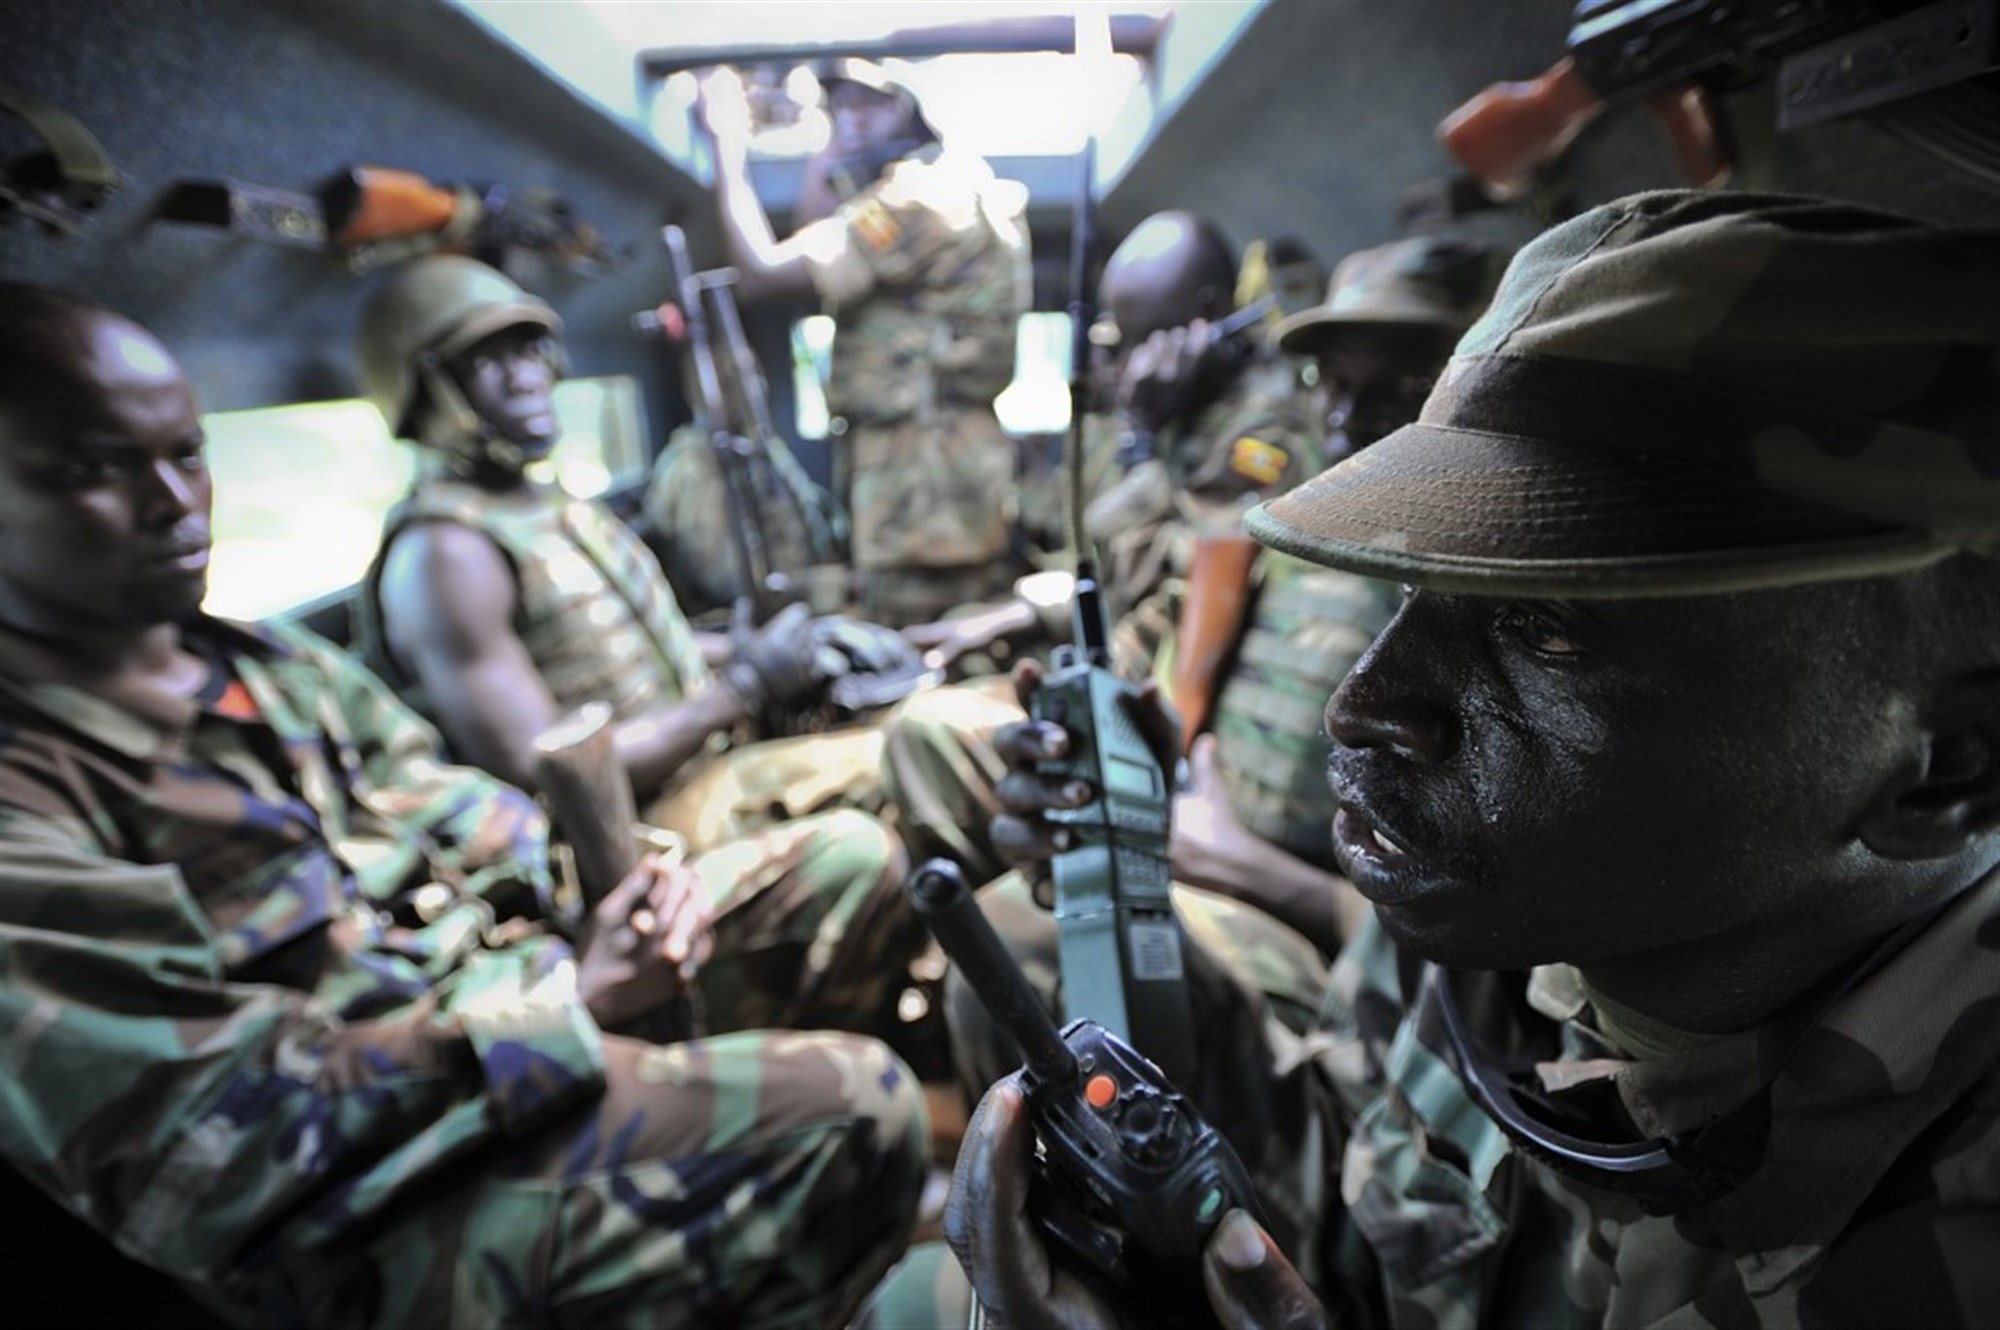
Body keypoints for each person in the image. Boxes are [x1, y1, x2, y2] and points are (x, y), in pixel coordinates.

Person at [946, 190, 2000, 1327]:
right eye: (1410, 590)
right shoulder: (1502, 923)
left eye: (1546, 627)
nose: (1362, 705)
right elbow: (1332, 1172)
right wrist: (1131, 901)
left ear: (1944, 767)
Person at [0, 284, 926, 1328]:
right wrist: (564, 1007)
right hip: (372, 1192)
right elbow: (205, 1149)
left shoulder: (271, 669)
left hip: (514, 1001)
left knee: (850, 861)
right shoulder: (29, 806)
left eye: (186, 452)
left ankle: (752, 1214)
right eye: (90, 472)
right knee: (856, 1109)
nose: (172, 500)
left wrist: (622, 897)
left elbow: (481, 815)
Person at [353, 255, 897, 859]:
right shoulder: (446, 554)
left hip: (702, 768)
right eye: (486, 361)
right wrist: (744, 687)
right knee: (909, 766)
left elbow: (631, 654)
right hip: (638, 834)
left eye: (529, 351)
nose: (525, 378)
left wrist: (773, 649)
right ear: (423, 390)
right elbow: (546, 769)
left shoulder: (548, 505)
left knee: (909, 724)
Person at [700, 58, 1034, 628]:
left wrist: (725, 144)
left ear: (909, 109)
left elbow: (763, 272)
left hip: (918, 484)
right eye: (839, 106)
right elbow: (823, 240)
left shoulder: (914, 197)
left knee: (910, 653)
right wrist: (831, 140)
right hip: (947, 477)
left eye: (869, 103)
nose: (850, 120)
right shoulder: (951, 184)